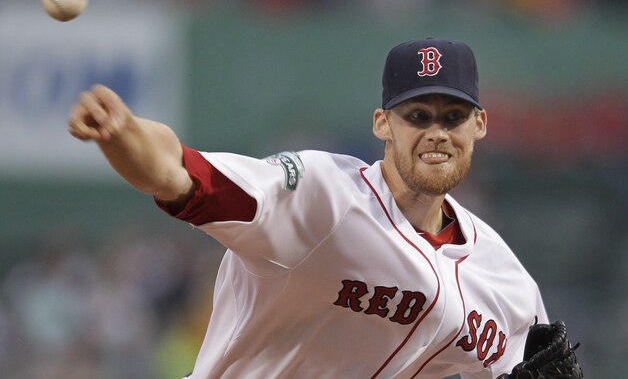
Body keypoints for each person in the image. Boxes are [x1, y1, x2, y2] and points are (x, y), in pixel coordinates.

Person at [68, 38, 549, 378]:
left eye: (454, 117)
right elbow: (181, 174)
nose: (437, 133)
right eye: (417, 116)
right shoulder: (323, 195)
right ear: (382, 124)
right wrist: (122, 133)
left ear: (480, 125)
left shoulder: (507, 283)